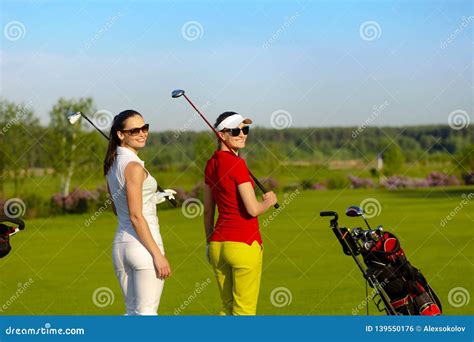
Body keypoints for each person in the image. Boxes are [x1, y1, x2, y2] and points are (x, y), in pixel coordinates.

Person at [203, 111, 278, 315]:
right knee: (244, 312)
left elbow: (209, 210)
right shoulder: (237, 164)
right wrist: (269, 202)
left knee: (228, 309)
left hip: (219, 245)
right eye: (235, 130)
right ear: (221, 134)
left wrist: (209, 243)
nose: (242, 134)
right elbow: (252, 209)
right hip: (244, 243)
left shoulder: (210, 164)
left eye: (245, 129)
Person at [104, 109, 174, 315]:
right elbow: (135, 216)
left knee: (132, 313)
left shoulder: (110, 164)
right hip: (143, 247)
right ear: (120, 134)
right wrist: (158, 255)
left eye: (144, 128)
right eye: (135, 130)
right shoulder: (133, 166)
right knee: (146, 314)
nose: (142, 133)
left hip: (121, 247)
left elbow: (118, 209)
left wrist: (153, 199)